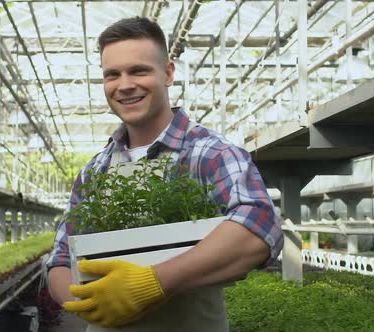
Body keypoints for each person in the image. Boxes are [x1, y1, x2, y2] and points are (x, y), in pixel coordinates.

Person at [46, 16, 283, 332]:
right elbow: (60, 260)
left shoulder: (208, 152)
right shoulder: (95, 171)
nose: (125, 84)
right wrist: (87, 302)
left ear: (168, 72)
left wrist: (153, 283)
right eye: (112, 75)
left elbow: (259, 227)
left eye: (139, 70)